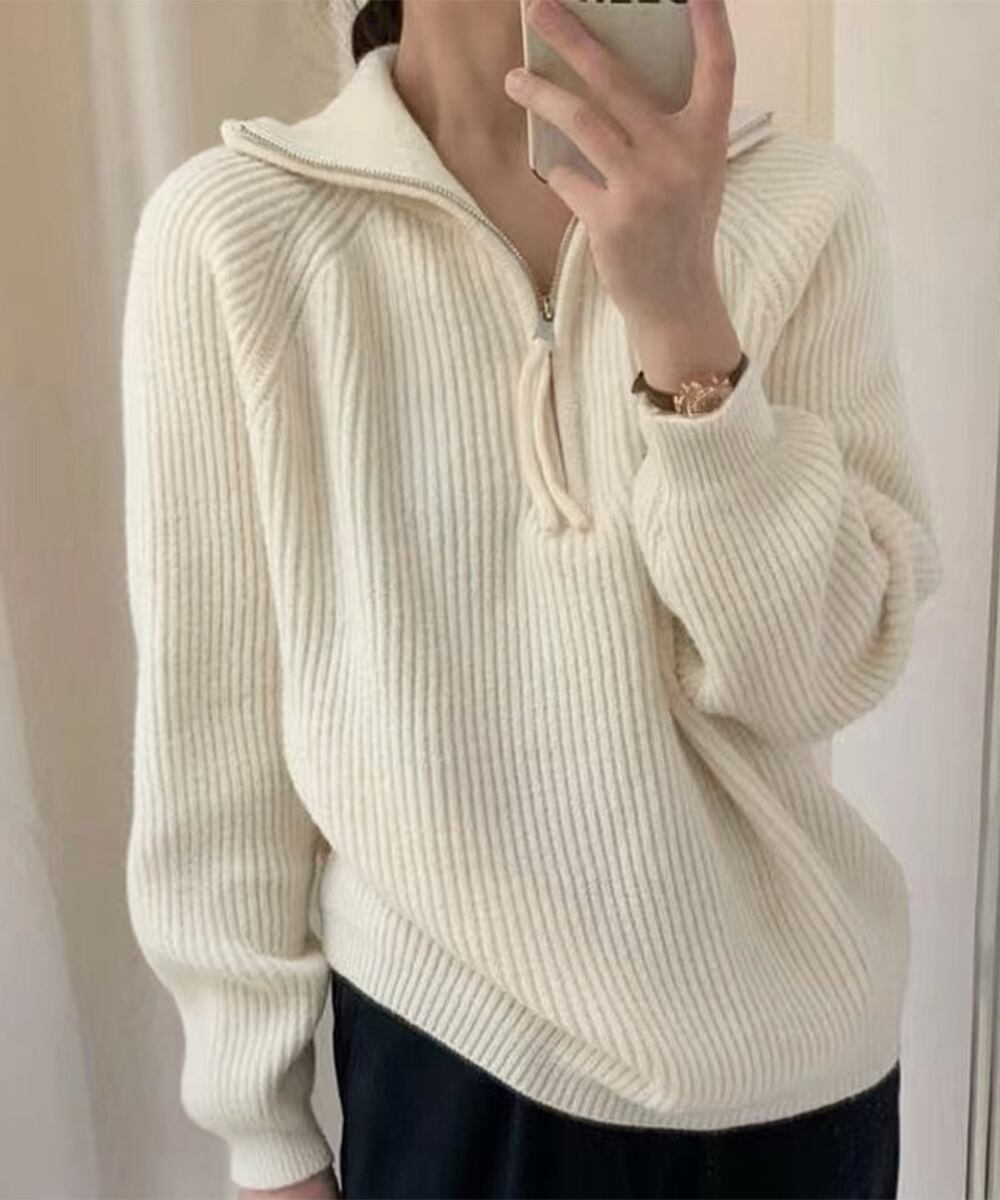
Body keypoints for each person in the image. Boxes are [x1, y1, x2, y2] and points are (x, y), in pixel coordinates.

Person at [120, 0, 942, 1197]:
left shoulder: (802, 208)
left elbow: (816, 675)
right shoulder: (237, 234)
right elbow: (215, 739)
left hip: (802, 1084)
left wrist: (682, 318)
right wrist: (264, 1134)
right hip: (460, 1065)